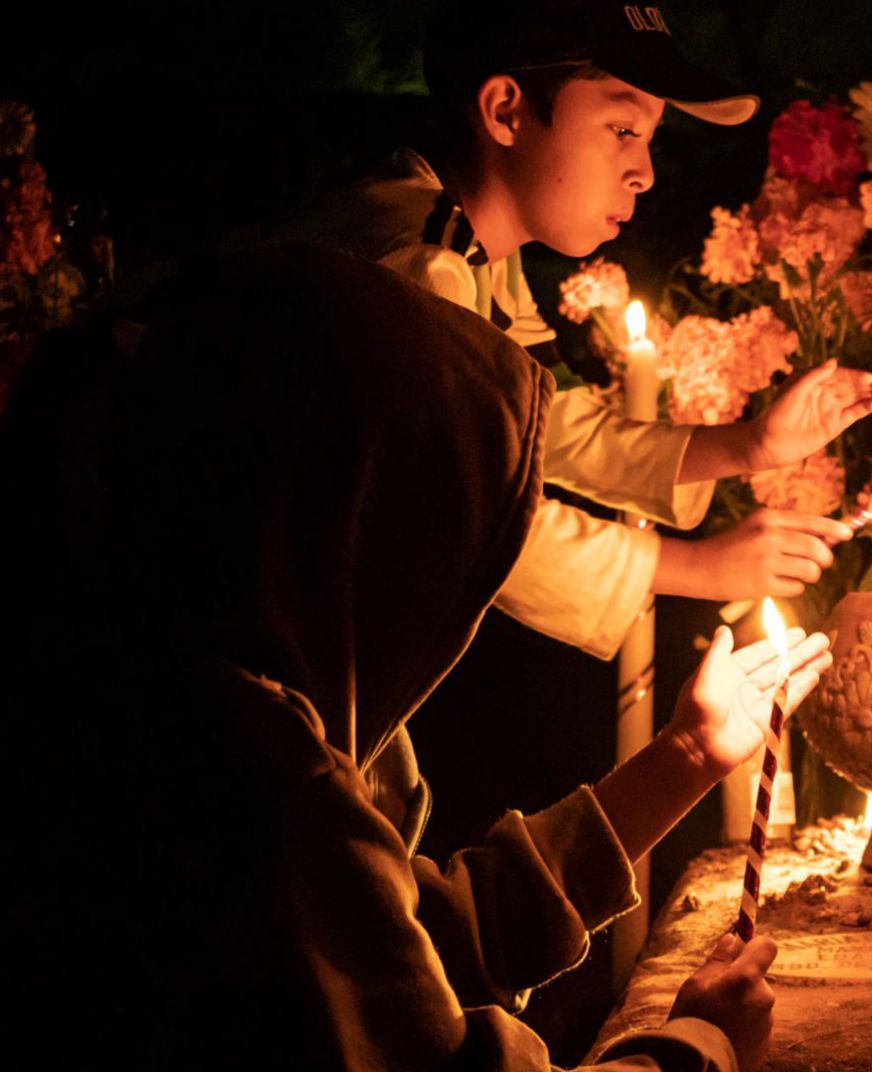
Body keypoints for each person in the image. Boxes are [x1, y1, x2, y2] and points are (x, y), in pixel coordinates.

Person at [0, 244, 827, 1072]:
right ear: (348, 524)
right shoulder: (244, 775)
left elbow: (416, 942)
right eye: (440, 533)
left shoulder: (167, 699)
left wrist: (687, 755)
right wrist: (700, 1045)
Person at [264, 0, 872, 659]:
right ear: (506, 111)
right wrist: (696, 567)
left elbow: (550, 424)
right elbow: (463, 507)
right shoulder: (416, 268)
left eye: (649, 138)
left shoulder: (478, 256)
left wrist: (749, 445)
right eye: (622, 129)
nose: (645, 173)